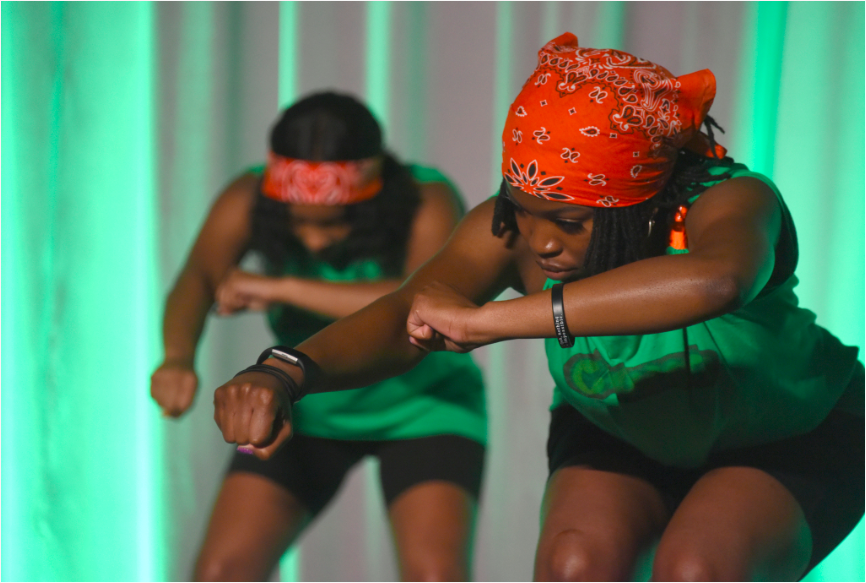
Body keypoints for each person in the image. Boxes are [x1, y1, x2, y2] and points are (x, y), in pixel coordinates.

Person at [213, 34, 864, 581]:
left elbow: (716, 281)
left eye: (570, 220)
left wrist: (490, 321)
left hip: (792, 432)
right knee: (573, 563)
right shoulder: (514, 230)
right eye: (523, 212)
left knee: (696, 569)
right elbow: (407, 312)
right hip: (621, 429)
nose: (542, 239)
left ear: (634, 204)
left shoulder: (730, 199)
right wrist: (283, 370)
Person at [150, 92, 487, 581]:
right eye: (296, 224)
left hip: (424, 406)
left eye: (331, 225)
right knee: (221, 572)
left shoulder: (427, 198)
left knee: (435, 576)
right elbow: (199, 276)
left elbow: (416, 302)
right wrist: (177, 357)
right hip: (302, 407)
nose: (311, 241)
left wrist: (280, 286)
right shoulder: (246, 195)